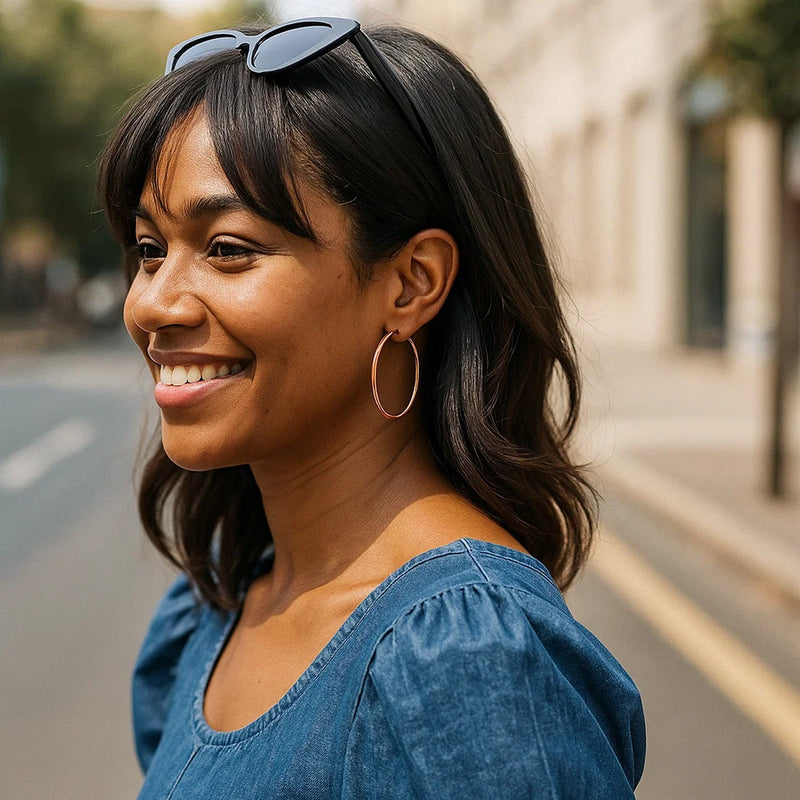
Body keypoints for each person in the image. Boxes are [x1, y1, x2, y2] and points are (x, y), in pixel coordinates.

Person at [98, 17, 645, 799]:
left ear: (412, 283)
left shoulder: (467, 657)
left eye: (228, 250)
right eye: (151, 250)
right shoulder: (214, 610)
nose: (152, 304)